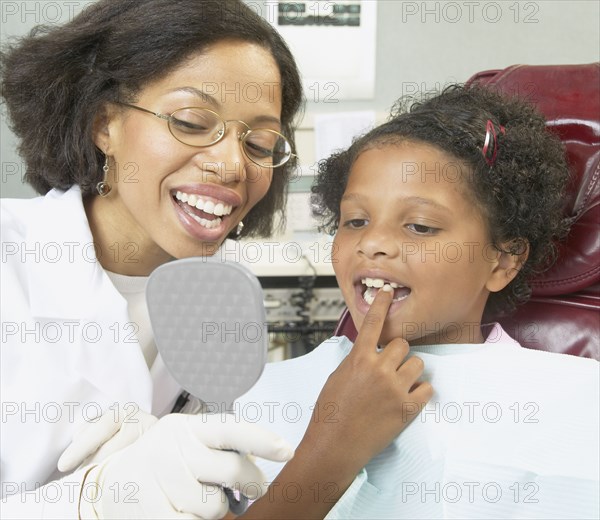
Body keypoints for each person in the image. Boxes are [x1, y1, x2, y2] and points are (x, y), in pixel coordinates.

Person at [0, 1, 432, 518]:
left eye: (259, 142)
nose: (231, 165)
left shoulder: (222, 287)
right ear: (103, 124)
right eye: (191, 121)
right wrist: (90, 498)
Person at [234, 84, 600, 518]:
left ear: (503, 260)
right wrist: (332, 447)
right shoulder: (261, 393)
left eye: (421, 227)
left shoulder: (576, 398)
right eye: (355, 220)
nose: (372, 243)